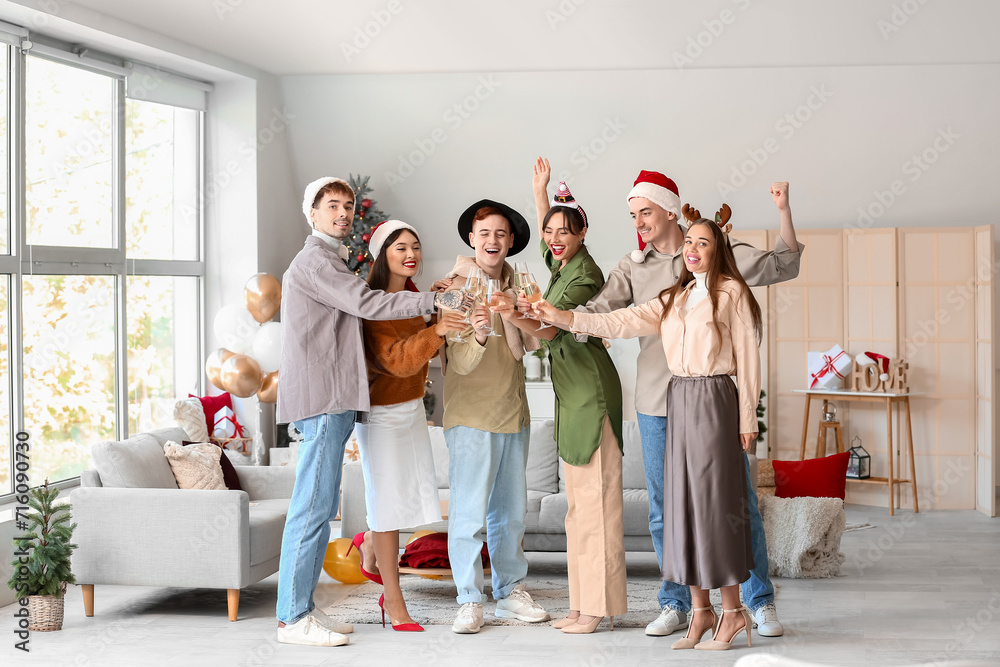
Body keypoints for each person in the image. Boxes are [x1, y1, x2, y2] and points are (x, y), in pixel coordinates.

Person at [569, 168, 802, 638]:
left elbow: (783, 265)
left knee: (736, 504)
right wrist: (553, 316)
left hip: (713, 400)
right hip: (659, 400)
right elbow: (605, 314)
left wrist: (783, 212)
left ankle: (757, 601)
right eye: (633, 214)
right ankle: (678, 602)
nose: (639, 222)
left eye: (646, 212)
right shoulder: (632, 267)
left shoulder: (718, 257)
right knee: (666, 508)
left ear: (670, 210)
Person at [535, 210, 761, 651]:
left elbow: (749, 359)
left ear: (717, 251)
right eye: (689, 244)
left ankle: (733, 612)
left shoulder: (730, 293)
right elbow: (618, 321)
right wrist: (562, 317)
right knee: (680, 510)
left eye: (702, 243)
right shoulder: (672, 299)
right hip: (677, 398)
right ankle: (700, 613)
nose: (692, 250)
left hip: (716, 399)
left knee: (714, 508)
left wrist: (747, 418)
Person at [276, 178, 473, 647]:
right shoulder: (314, 262)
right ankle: (291, 618)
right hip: (325, 400)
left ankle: (301, 609)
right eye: (332, 207)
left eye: (347, 206)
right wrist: (436, 301)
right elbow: (368, 303)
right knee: (311, 509)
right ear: (313, 213)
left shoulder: (330, 261)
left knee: (320, 507)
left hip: (338, 400)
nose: (343, 214)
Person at [493, 163, 626, 634]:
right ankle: (581, 603)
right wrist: (539, 191)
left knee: (597, 504)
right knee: (576, 507)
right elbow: (546, 318)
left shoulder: (585, 276)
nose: (554, 238)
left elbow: (554, 328)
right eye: (548, 231)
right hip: (570, 393)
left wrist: (515, 314)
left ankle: (597, 609)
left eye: (563, 232)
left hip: (591, 392)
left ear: (584, 232)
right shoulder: (562, 263)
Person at [441, 199, 550, 634]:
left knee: (511, 512)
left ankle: (509, 592)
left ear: (510, 242)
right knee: (468, 514)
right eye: (484, 232)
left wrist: (516, 313)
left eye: (501, 234)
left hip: (513, 410)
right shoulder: (452, 288)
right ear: (471, 238)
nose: (493, 240)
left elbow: (540, 343)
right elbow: (461, 363)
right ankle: (469, 599)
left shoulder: (520, 285)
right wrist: (481, 334)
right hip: (470, 414)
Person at [352, 220, 467, 632]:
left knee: (408, 501)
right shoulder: (372, 304)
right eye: (399, 247)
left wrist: (437, 310)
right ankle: (394, 600)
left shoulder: (417, 301)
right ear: (383, 254)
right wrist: (435, 330)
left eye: (415, 246)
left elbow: (428, 350)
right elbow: (397, 361)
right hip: (381, 415)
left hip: (412, 409)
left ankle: (367, 542)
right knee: (386, 506)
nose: (410, 254)